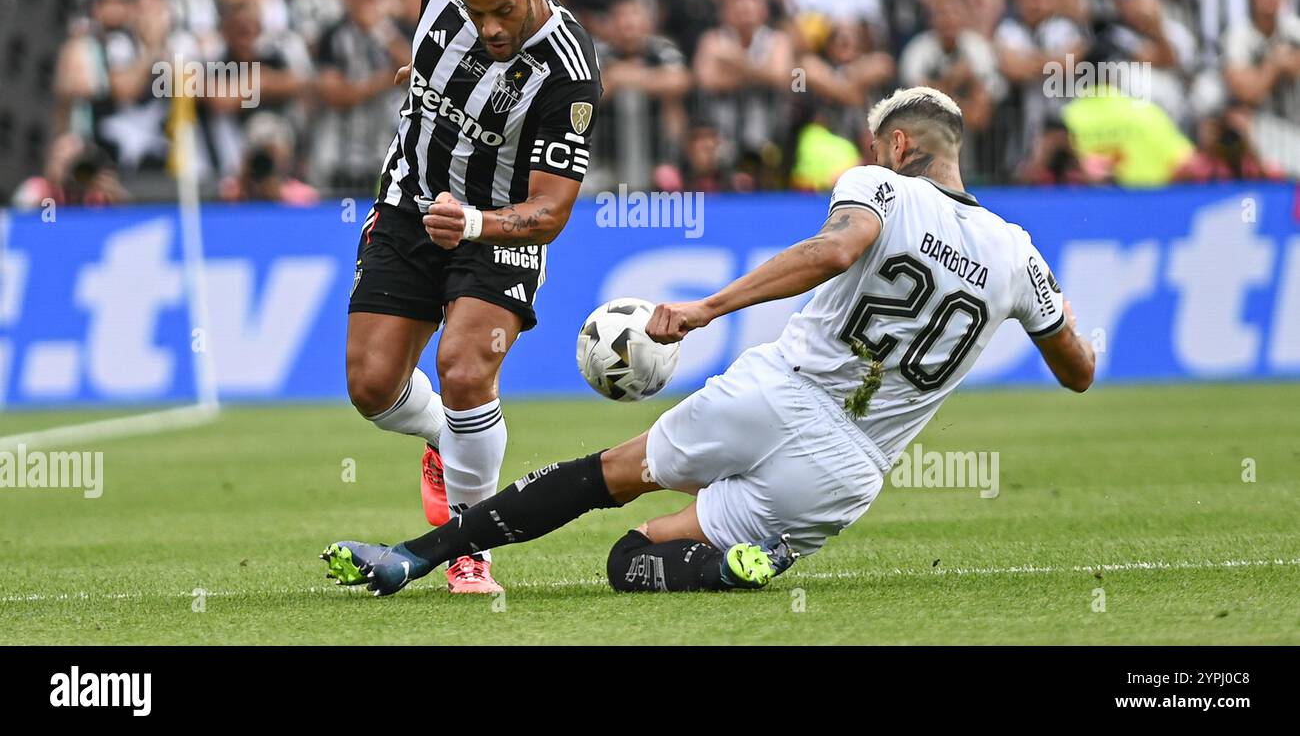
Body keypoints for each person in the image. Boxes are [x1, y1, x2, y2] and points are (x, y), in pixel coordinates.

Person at [322, 86, 1096, 597]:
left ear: (896, 144)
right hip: (850, 472)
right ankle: (734, 565)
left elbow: (833, 250)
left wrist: (706, 309)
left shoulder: (879, 187)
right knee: (644, 555)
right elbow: (1078, 371)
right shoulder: (1017, 252)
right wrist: (1041, 313)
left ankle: (419, 553)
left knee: (608, 488)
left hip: (779, 393)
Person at [343, 0, 601, 594]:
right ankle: (442, 439)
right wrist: (422, 76)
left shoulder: (568, 74)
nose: (488, 27)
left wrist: (477, 223)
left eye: (503, 11)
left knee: (462, 368)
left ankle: (468, 544)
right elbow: (438, 49)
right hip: (409, 201)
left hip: (500, 225)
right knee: (371, 386)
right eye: (474, 10)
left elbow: (551, 212)